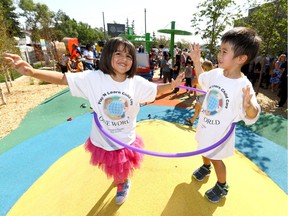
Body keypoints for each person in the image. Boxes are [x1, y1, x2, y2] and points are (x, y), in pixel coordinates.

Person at [4, 37, 184, 205]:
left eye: (129, 55)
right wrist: (32, 72)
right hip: (103, 138)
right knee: (111, 165)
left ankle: (123, 182)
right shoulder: (93, 79)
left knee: (121, 168)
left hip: (124, 138)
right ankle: (120, 178)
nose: (124, 59)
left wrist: (172, 86)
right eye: (118, 53)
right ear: (107, 55)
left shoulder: (136, 82)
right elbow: (62, 78)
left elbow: (157, 90)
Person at [187, 27, 261, 203]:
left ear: (241, 58)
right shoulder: (216, 74)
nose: (219, 55)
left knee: (217, 159)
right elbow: (202, 80)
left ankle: (222, 185)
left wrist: (248, 105)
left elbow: (253, 114)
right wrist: (197, 61)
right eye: (220, 50)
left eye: (224, 51)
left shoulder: (243, 86)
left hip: (220, 135)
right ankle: (205, 167)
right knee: (203, 149)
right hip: (206, 126)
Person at [185, 59, 213, 125]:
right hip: (206, 96)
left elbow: (193, 83)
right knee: (197, 109)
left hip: (202, 96)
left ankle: (204, 125)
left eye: (201, 66)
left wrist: (196, 76)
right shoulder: (211, 76)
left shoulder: (201, 76)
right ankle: (192, 121)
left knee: (201, 111)